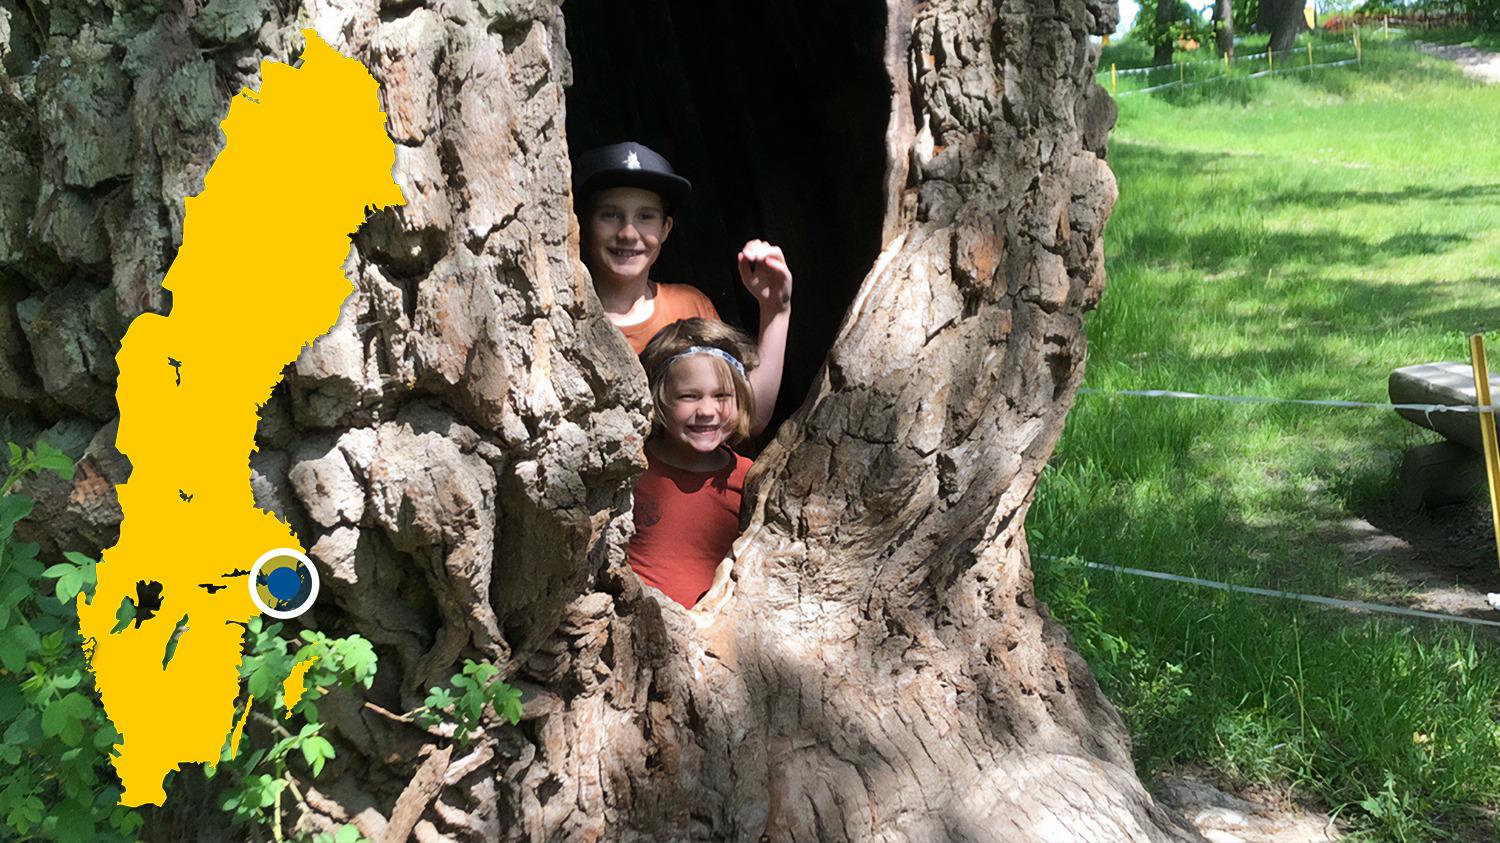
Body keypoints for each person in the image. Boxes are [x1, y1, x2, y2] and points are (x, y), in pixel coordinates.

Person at [572, 141, 791, 435]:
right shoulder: (564, 318)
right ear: (581, 225)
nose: (628, 232)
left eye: (645, 216)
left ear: (666, 228)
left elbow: (746, 417)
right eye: (610, 215)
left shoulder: (689, 306)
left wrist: (775, 310)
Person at [626, 318, 757, 609]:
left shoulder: (749, 478)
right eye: (689, 396)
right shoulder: (631, 467)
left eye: (722, 396)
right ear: (659, 400)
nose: (707, 411)